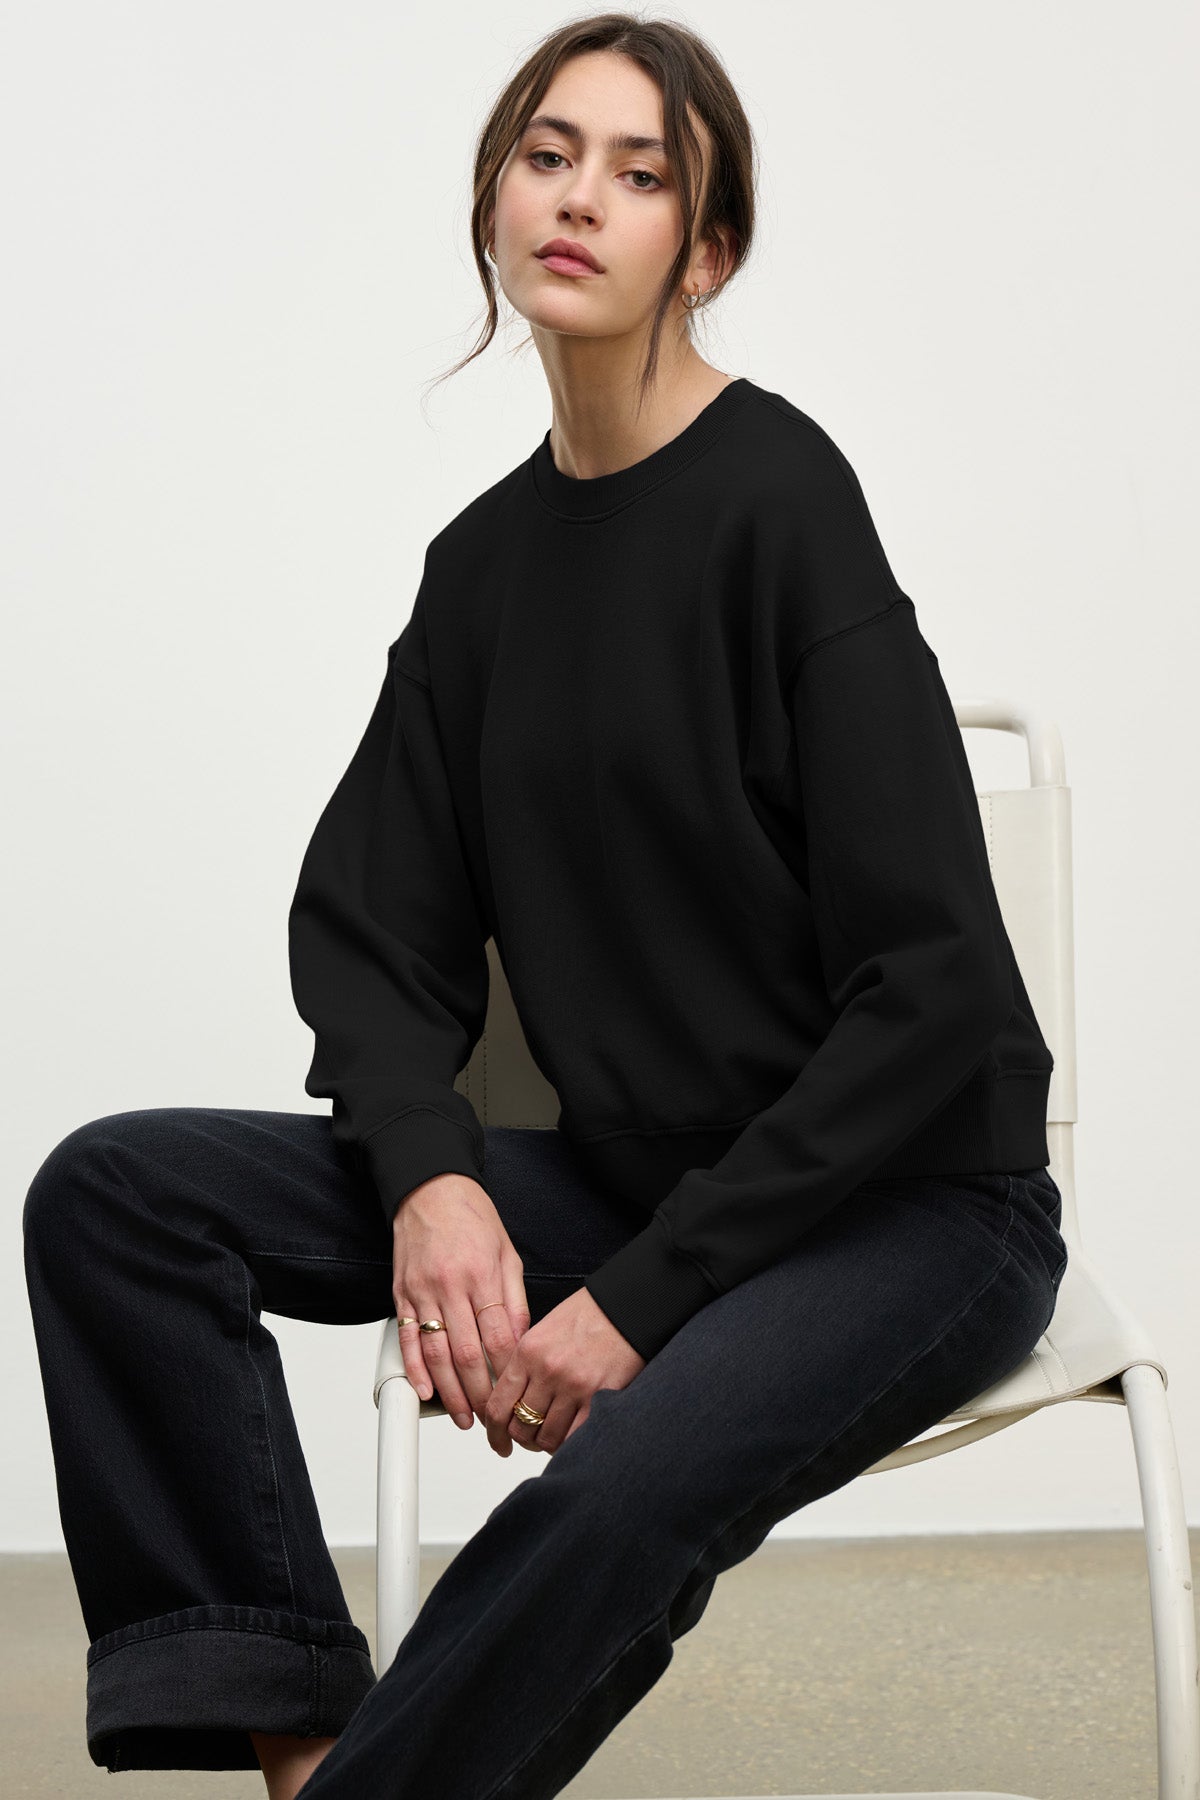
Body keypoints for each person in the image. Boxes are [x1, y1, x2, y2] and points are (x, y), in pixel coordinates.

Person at [22, 14, 1069, 1799]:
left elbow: (939, 996)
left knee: (617, 1487)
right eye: (547, 153)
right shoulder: (484, 571)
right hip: (637, 1177)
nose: (581, 197)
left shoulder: (783, 504)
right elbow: (371, 923)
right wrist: (435, 1176)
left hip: (907, 1212)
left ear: (707, 249)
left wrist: (638, 1304)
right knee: (117, 1195)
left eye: (642, 172)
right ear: (499, 201)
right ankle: (311, 1741)